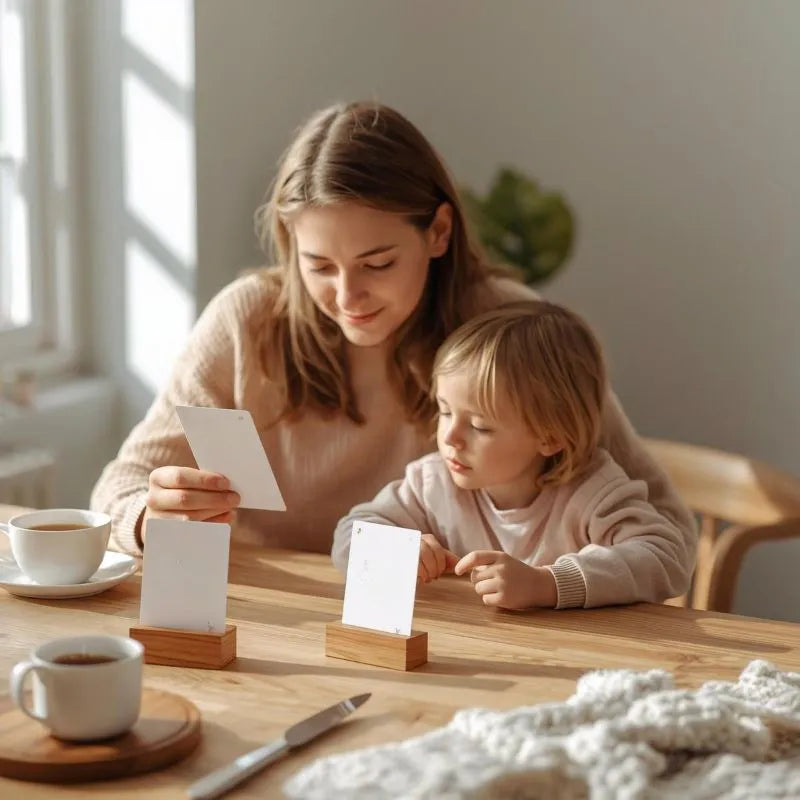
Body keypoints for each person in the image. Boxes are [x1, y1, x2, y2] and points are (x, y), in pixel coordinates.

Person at [91, 100, 693, 558]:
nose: (346, 296)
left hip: (449, 635)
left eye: (377, 264)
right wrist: (149, 517)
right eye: (318, 266)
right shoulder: (246, 322)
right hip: (274, 624)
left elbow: (665, 522)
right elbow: (118, 488)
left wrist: (557, 586)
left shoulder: (503, 326)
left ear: (438, 233)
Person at [332, 301, 695, 609]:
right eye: (444, 411)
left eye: (479, 426)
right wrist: (393, 550)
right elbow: (349, 534)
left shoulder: (592, 492)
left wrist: (548, 584)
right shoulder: (432, 483)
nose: (450, 437)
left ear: (550, 437)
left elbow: (666, 557)